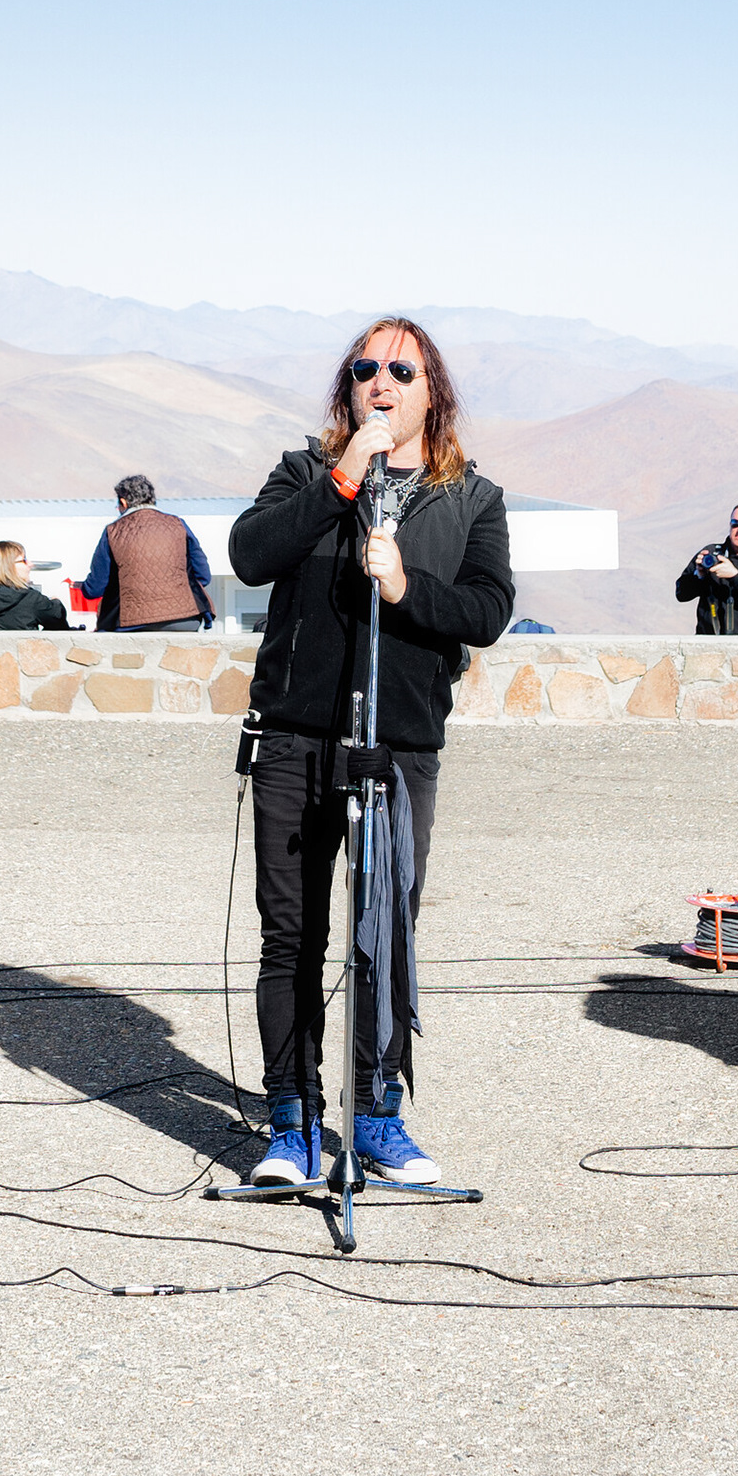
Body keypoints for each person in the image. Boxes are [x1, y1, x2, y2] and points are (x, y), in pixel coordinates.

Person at [228, 320, 516, 1191]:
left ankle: (377, 1115)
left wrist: (403, 588)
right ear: (347, 391)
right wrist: (345, 472)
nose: (381, 381)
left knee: (383, 933)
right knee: (294, 933)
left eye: (401, 369)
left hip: (398, 744)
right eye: (365, 368)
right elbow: (249, 555)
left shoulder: (471, 498)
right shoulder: (306, 475)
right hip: (294, 737)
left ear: (433, 391)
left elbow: (488, 609)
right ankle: (293, 1122)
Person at [81, 475, 214, 632]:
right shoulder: (178, 524)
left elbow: (95, 588)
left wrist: (83, 587)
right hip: (186, 619)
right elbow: (203, 576)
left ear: (123, 502)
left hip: (132, 624)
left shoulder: (113, 531)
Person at [671, 503, 738, 635]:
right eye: (735, 523)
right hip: (708, 643)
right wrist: (699, 576)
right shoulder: (711, 554)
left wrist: (736, 577)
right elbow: (681, 594)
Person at [0, 541, 71, 642]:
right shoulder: (30, 599)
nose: (30, 564)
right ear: (7, 567)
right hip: (22, 657)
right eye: (24, 560)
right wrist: (56, 603)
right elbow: (58, 622)